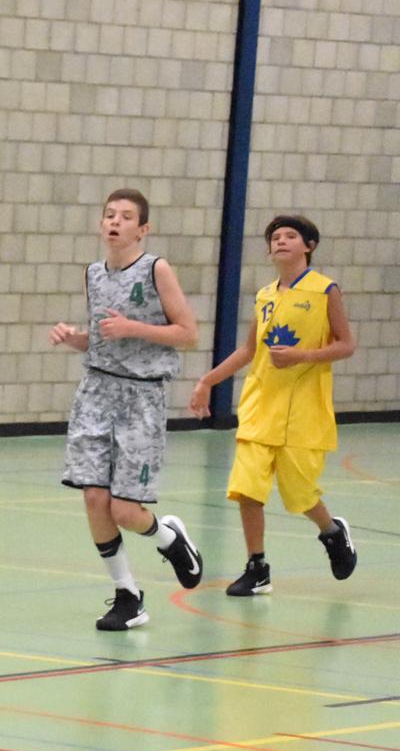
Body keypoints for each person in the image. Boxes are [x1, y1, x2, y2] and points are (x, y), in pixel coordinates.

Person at [49, 187, 204, 630]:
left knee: (125, 511)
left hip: (141, 398)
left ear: (143, 229)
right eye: (109, 215)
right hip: (96, 392)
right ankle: (128, 596)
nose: (115, 221)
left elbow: (189, 334)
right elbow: (103, 340)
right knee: (94, 498)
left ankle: (170, 538)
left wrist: (135, 327)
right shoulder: (93, 274)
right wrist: (74, 338)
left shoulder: (156, 269)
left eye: (126, 216)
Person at [187, 213, 358, 594]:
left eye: (290, 235)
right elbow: (249, 350)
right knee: (247, 488)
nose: (280, 241)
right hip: (261, 405)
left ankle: (332, 531)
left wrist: (301, 356)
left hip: (304, 409)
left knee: (299, 493)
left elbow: (346, 345)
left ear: (309, 246)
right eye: (275, 237)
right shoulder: (265, 295)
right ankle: (257, 567)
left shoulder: (325, 290)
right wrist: (207, 381)